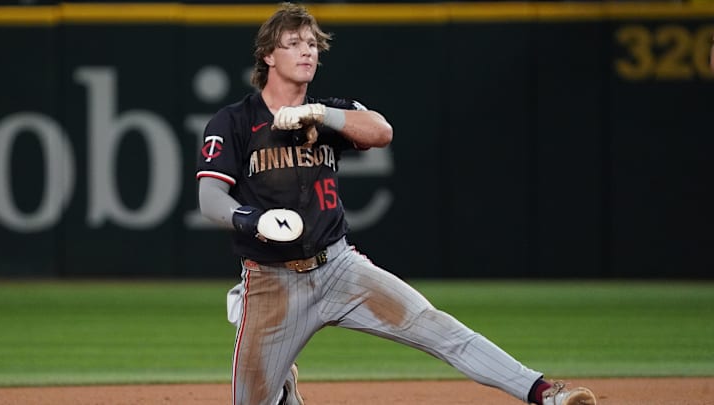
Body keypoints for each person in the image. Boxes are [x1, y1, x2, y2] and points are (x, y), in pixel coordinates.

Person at [196, 3, 598, 405]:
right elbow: (210, 199)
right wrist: (251, 220)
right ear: (268, 55)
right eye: (294, 43)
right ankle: (283, 389)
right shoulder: (234, 121)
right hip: (271, 281)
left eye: (313, 43)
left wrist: (320, 114)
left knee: (437, 328)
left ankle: (546, 394)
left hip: (339, 269)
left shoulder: (325, 114)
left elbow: (381, 130)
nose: (308, 51)